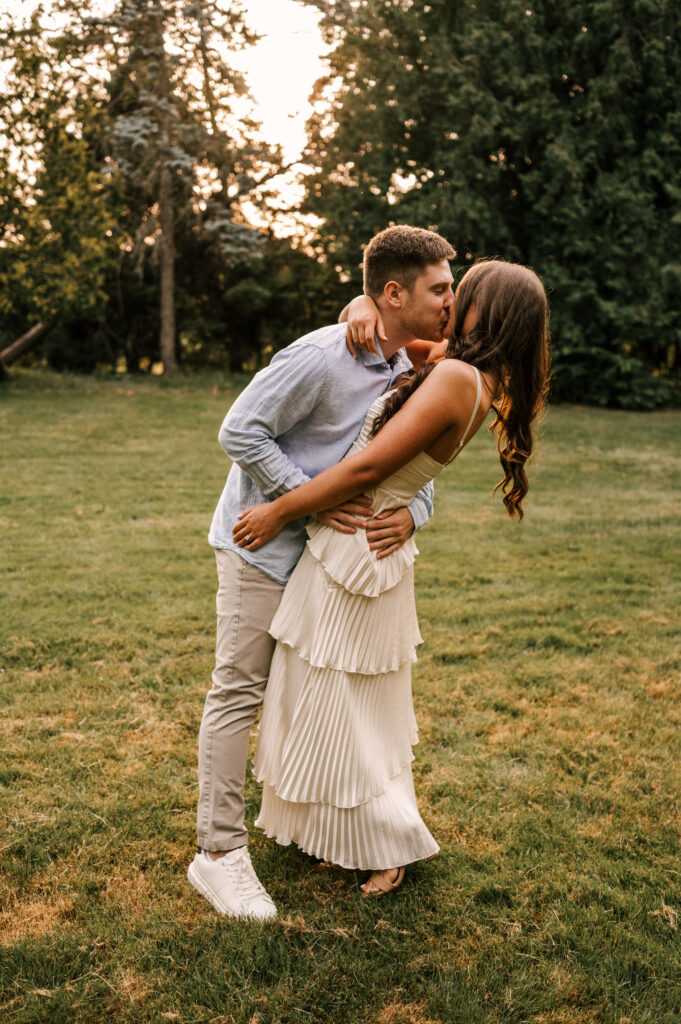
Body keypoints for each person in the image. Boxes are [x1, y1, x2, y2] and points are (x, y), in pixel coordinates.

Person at [232, 258, 551, 897]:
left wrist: (276, 510)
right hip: (358, 546)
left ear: (485, 312)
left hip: (358, 549)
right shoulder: (465, 370)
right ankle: (341, 833)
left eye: (459, 293)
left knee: (350, 706)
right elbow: (389, 330)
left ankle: (386, 843)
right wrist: (360, 305)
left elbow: (364, 470)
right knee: (327, 697)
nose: (447, 300)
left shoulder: (458, 377)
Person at [188, 225, 456, 920]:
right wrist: (303, 505)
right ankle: (218, 855)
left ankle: (322, 831)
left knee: (313, 701)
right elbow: (239, 430)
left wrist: (416, 514)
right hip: (262, 549)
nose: (448, 302)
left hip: (329, 571)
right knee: (239, 692)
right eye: (438, 289)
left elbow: (402, 459)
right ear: (392, 293)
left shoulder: (410, 364)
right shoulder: (319, 356)